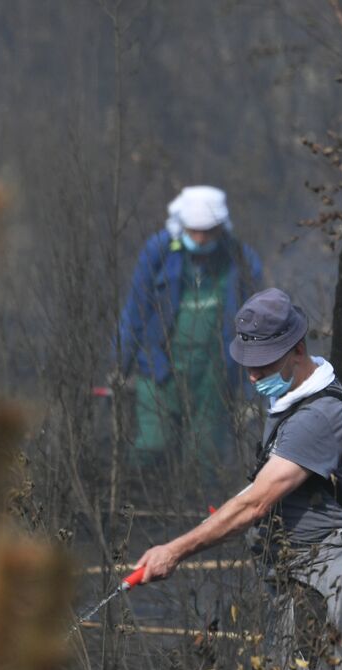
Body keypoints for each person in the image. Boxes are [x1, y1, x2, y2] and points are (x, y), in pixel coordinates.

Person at [132, 288, 342, 670]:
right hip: (306, 575)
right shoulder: (297, 402)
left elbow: (255, 504)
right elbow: (262, 487)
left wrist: (174, 550)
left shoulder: (315, 417)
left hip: (331, 581)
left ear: (297, 349)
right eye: (248, 364)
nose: (252, 376)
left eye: (263, 364)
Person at [114, 186, 262, 475]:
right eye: (194, 231)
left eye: (207, 232)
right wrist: (121, 362)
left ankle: (200, 512)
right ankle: (136, 504)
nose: (200, 238)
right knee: (151, 446)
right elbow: (136, 309)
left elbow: (256, 325)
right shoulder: (159, 252)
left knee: (206, 456)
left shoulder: (239, 259)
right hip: (159, 368)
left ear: (220, 228)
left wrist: (251, 388)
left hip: (214, 375)